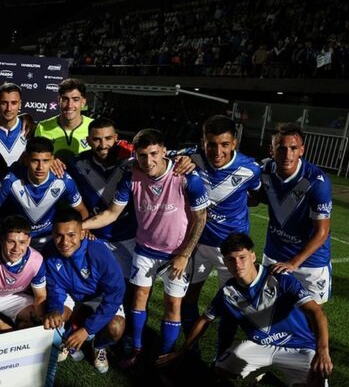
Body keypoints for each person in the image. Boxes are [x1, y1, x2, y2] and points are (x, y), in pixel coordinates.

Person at [157, 233, 333, 387]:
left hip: (299, 347)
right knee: (219, 371)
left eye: (242, 257)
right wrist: (183, 351)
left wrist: (322, 350)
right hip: (260, 346)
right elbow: (204, 319)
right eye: (231, 260)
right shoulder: (227, 291)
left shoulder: (280, 278)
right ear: (225, 262)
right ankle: (255, 373)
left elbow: (317, 313)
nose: (237, 264)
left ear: (253, 256)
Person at [83, 128, 209, 367]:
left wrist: (185, 254)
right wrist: (80, 226)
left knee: (173, 304)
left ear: (163, 150)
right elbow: (111, 213)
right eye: (142, 155)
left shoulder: (186, 177)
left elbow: (201, 217)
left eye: (153, 154)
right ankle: (138, 348)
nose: (148, 161)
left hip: (177, 253)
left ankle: (165, 355)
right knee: (139, 298)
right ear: (135, 154)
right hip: (145, 249)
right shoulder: (131, 176)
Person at [181, 115, 262, 358]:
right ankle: (192, 348)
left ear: (234, 143)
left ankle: (222, 357)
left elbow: (257, 197)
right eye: (211, 144)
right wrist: (179, 157)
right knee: (188, 298)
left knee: (233, 305)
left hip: (232, 251)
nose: (218, 151)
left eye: (224, 145)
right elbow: (158, 155)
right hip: (198, 244)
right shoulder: (190, 157)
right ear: (203, 142)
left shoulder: (250, 168)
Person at [42, 209, 125, 374]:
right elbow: (55, 288)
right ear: (53, 233)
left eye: (71, 235)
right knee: (55, 318)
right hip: (70, 294)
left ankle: (99, 345)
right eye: (59, 235)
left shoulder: (100, 253)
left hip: (98, 297)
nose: (65, 242)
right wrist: (55, 309)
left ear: (82, 233)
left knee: (116, 328)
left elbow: (114, 296)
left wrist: (87, 329)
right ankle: (67, 335)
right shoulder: (49, 251)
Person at [258, 123, 332, 305]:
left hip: (311, 262)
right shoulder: (264, 170)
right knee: (267, 311)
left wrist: (293, 263)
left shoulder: (316, 181)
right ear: (271, 150)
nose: (287, 155)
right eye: (281, 148)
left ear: (302, 150)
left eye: (293, 148)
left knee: (312, 315)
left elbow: (322, 232)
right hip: (275, 253)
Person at [0, 136, 89, 250]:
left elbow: (82, 210)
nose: (40, 167)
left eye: (45, 161)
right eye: (35, 161)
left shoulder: (63, 180)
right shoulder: (11, 181)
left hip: (52, 239)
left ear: (52, 160)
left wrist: (83, 230)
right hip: (19, 240)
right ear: (26, 159)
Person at [68, 117, 137, 281]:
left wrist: (183, 160)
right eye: (97, 139)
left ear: (116, 138)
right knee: (94, 288)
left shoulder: (133, 163)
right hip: (94, 237)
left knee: (131, 291)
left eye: (108, 138)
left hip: (128, 236)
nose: (103, 144)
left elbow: (162, 159)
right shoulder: (76, 164)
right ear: (88, 141)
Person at [34, 78, 93, 161]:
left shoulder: (93, 127)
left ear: (83, 102)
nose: (70, 105)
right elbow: (34, 158)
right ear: (59, 100)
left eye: (75, 99)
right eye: (65, 99)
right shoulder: (42, 127)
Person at [0, 83, 29, 167]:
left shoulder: (29, 129)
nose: (8, 108)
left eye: (14, 103)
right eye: (4, 103)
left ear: (20, 104)